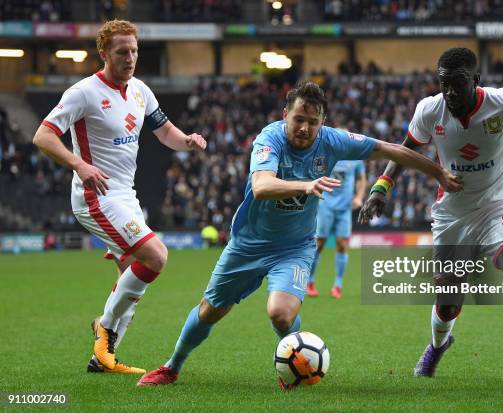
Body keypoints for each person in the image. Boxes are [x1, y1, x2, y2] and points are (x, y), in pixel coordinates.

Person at [137, 81, 462, 388]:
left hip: (294, 247)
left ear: (322, 121)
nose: (304, 128)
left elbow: (390, 149)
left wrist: (437, 173)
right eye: (298, 119)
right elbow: (263, 186)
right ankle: (172, 366)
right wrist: (306, 184)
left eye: (312, 121)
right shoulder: (270, 139)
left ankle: (293, 364)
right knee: (211, 310)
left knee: (280, 314)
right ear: (285, 116)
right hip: (248, 243)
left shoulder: (333, 140)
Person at [359, 48, 503, 393]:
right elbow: (405, 150)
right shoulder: (430, 110)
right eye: (443, 83)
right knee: (448, 301)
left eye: (457, 84)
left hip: (497, 207)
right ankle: (438, 345)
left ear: (475, 80)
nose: (449, 92)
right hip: (452, 215)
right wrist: (380, 188)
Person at [32, 19, 206, 374]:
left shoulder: (141, 90)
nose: (130, 58)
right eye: (122, 52)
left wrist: (186, 140)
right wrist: (79, 165)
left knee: (133, 275)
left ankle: (103, 359)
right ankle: (105, 329)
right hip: (96, 196)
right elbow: (43, 137)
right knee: (156, 255)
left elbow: (165, 132)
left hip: (127, 196)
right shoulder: (82, 92)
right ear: (104, 54)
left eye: (134, 51)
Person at [306, 159, 366, 299]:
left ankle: (338, 285)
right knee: (319, 243)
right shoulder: (328, 153)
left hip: (345, 208)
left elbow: (361, 178)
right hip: (324, 204)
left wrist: (359, 197)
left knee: (342, 243)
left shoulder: (356, 158)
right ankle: (310, 282)